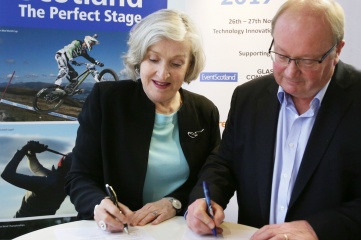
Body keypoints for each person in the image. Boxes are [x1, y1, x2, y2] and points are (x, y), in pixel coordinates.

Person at [186, 0, 361, 239]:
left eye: (307, 60)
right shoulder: (248, 97)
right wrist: (206, 198)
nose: (290, 72)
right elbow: (225, 161)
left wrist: (317, 228)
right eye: (281, 55)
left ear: (337, 51)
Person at [65, 9, 221, 233]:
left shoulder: (204, 111)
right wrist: (98, 205)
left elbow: (208, 179)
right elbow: (79, 176)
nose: (162, 73)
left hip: (180, 231)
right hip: (116, 231)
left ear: (189, 66)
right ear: (139, 59)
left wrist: (174, 203)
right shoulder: (107, 100)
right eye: (153, 59)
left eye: (176, 64)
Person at [1, 141, 72, 218]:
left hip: (22, 223)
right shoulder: (63, 183)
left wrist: (24, 149)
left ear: (61, 163)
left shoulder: (46, 183)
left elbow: (7, 175)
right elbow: (37, 169)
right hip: (42, 224)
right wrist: (31, 153)